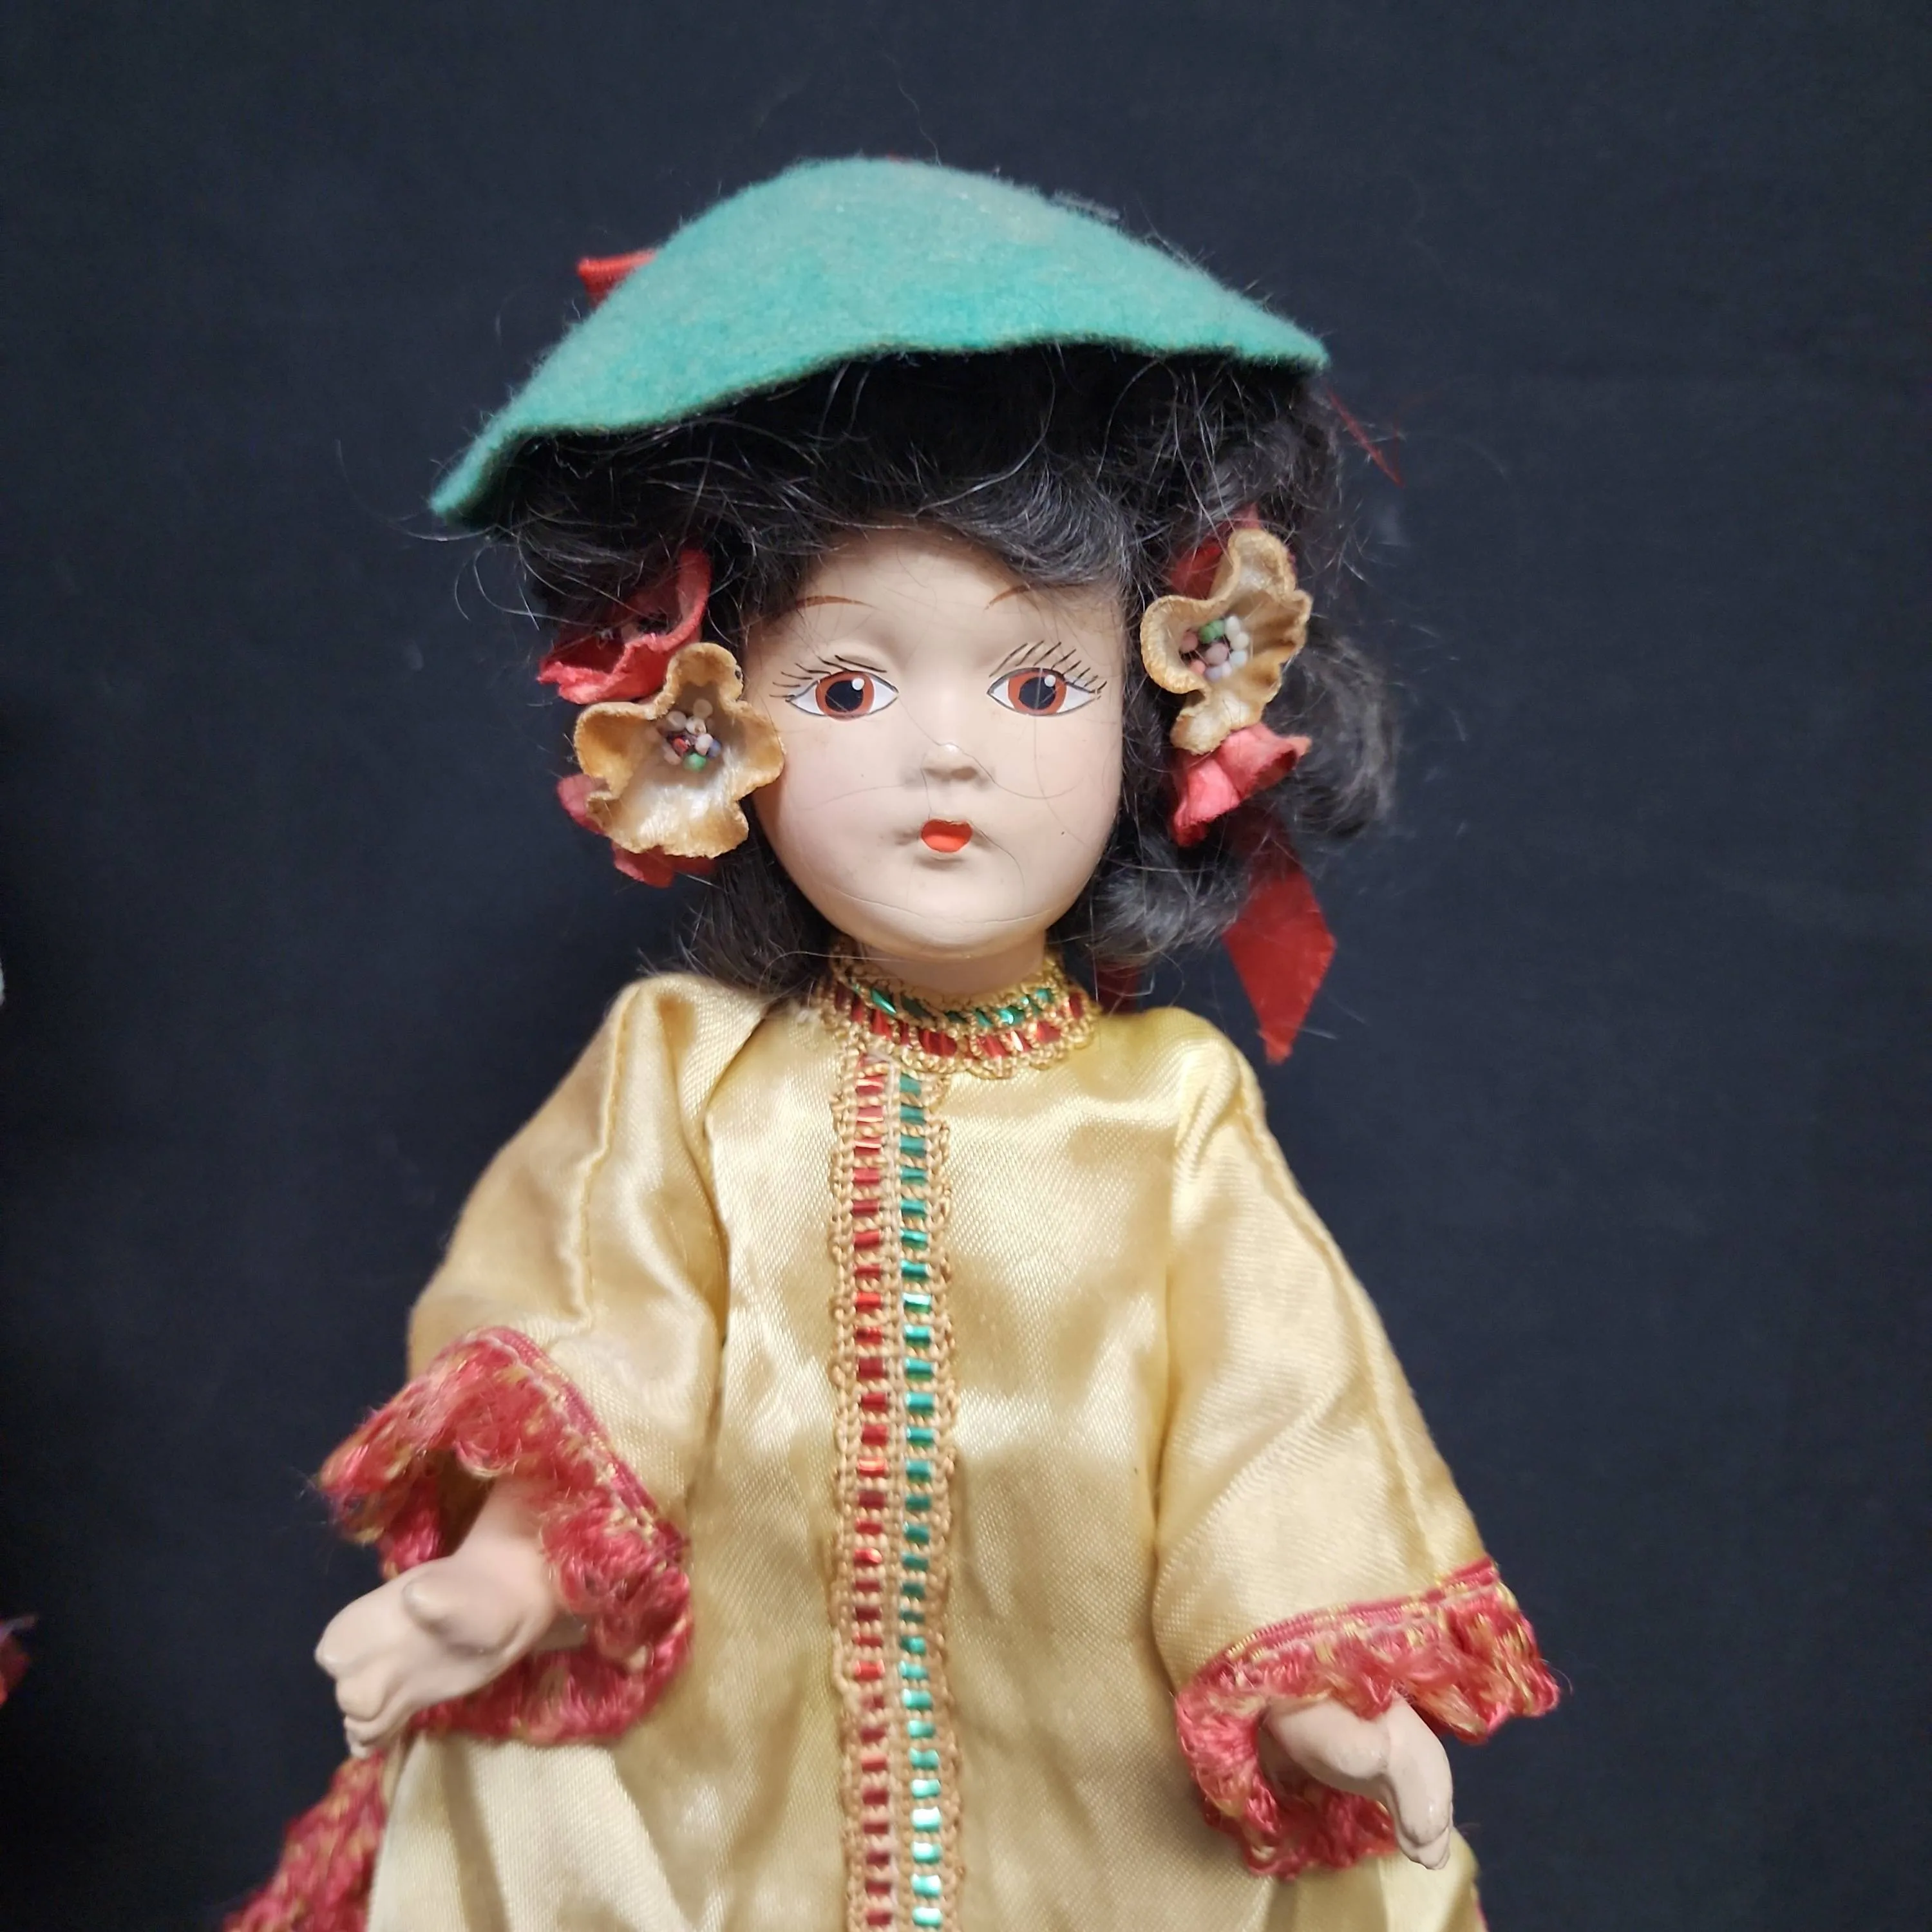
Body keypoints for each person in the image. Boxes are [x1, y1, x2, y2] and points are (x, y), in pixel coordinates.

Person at [232, 158, 1555, 1932]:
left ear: (1163, 713)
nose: (950, 753)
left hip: (1100, 1830)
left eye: (1038, 685)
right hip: (716, 1824)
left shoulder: (1172, 1112)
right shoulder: (683, 1078)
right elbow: (607, 1351)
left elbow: (1276, 1420)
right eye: (849, 687)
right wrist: (505, 1581)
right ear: (715, 722)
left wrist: (1311, 1681)